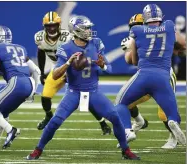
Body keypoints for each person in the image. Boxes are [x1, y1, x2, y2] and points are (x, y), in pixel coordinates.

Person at [26, 16, 140, 160]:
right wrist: (68, 62)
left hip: (93, 92)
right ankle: (38, 150)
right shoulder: (66, 48)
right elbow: (55, 75)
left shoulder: (96, 43)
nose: (89, 31)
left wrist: (102, 65)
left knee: (115, 118)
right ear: (77, 31)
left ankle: (126, 150)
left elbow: (109, 69)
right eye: (86, 28)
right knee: (55, 120)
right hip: (73, 92)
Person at [115, 4, 186, 148]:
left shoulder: (137, 32)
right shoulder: (168, 26)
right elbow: (182, 44)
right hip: (163, 76)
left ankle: (129, 131)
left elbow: (132, 61)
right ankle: (166, 122)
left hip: (145, 75)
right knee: (170, 112)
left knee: (121, 102)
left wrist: (131, 49)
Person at [36, 11, 111, 135]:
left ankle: (102, 122)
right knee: (45, 95)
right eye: (48, 26)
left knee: (85, 98)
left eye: (54, 25)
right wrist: (42, 72)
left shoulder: (68, 37)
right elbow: (41, 52)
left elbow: (80, 52)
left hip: (75, 69)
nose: (51, 28)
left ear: (59, 25)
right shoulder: (39, 38)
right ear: (44, 27)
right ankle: (48, 116)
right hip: (60, 68)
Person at [0, 26, 40, 150]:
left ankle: (11, 130)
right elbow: (36, 71)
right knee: (3, 111)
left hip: (16, 82)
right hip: (30, 83)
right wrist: (33, 91)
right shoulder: (20, 48)